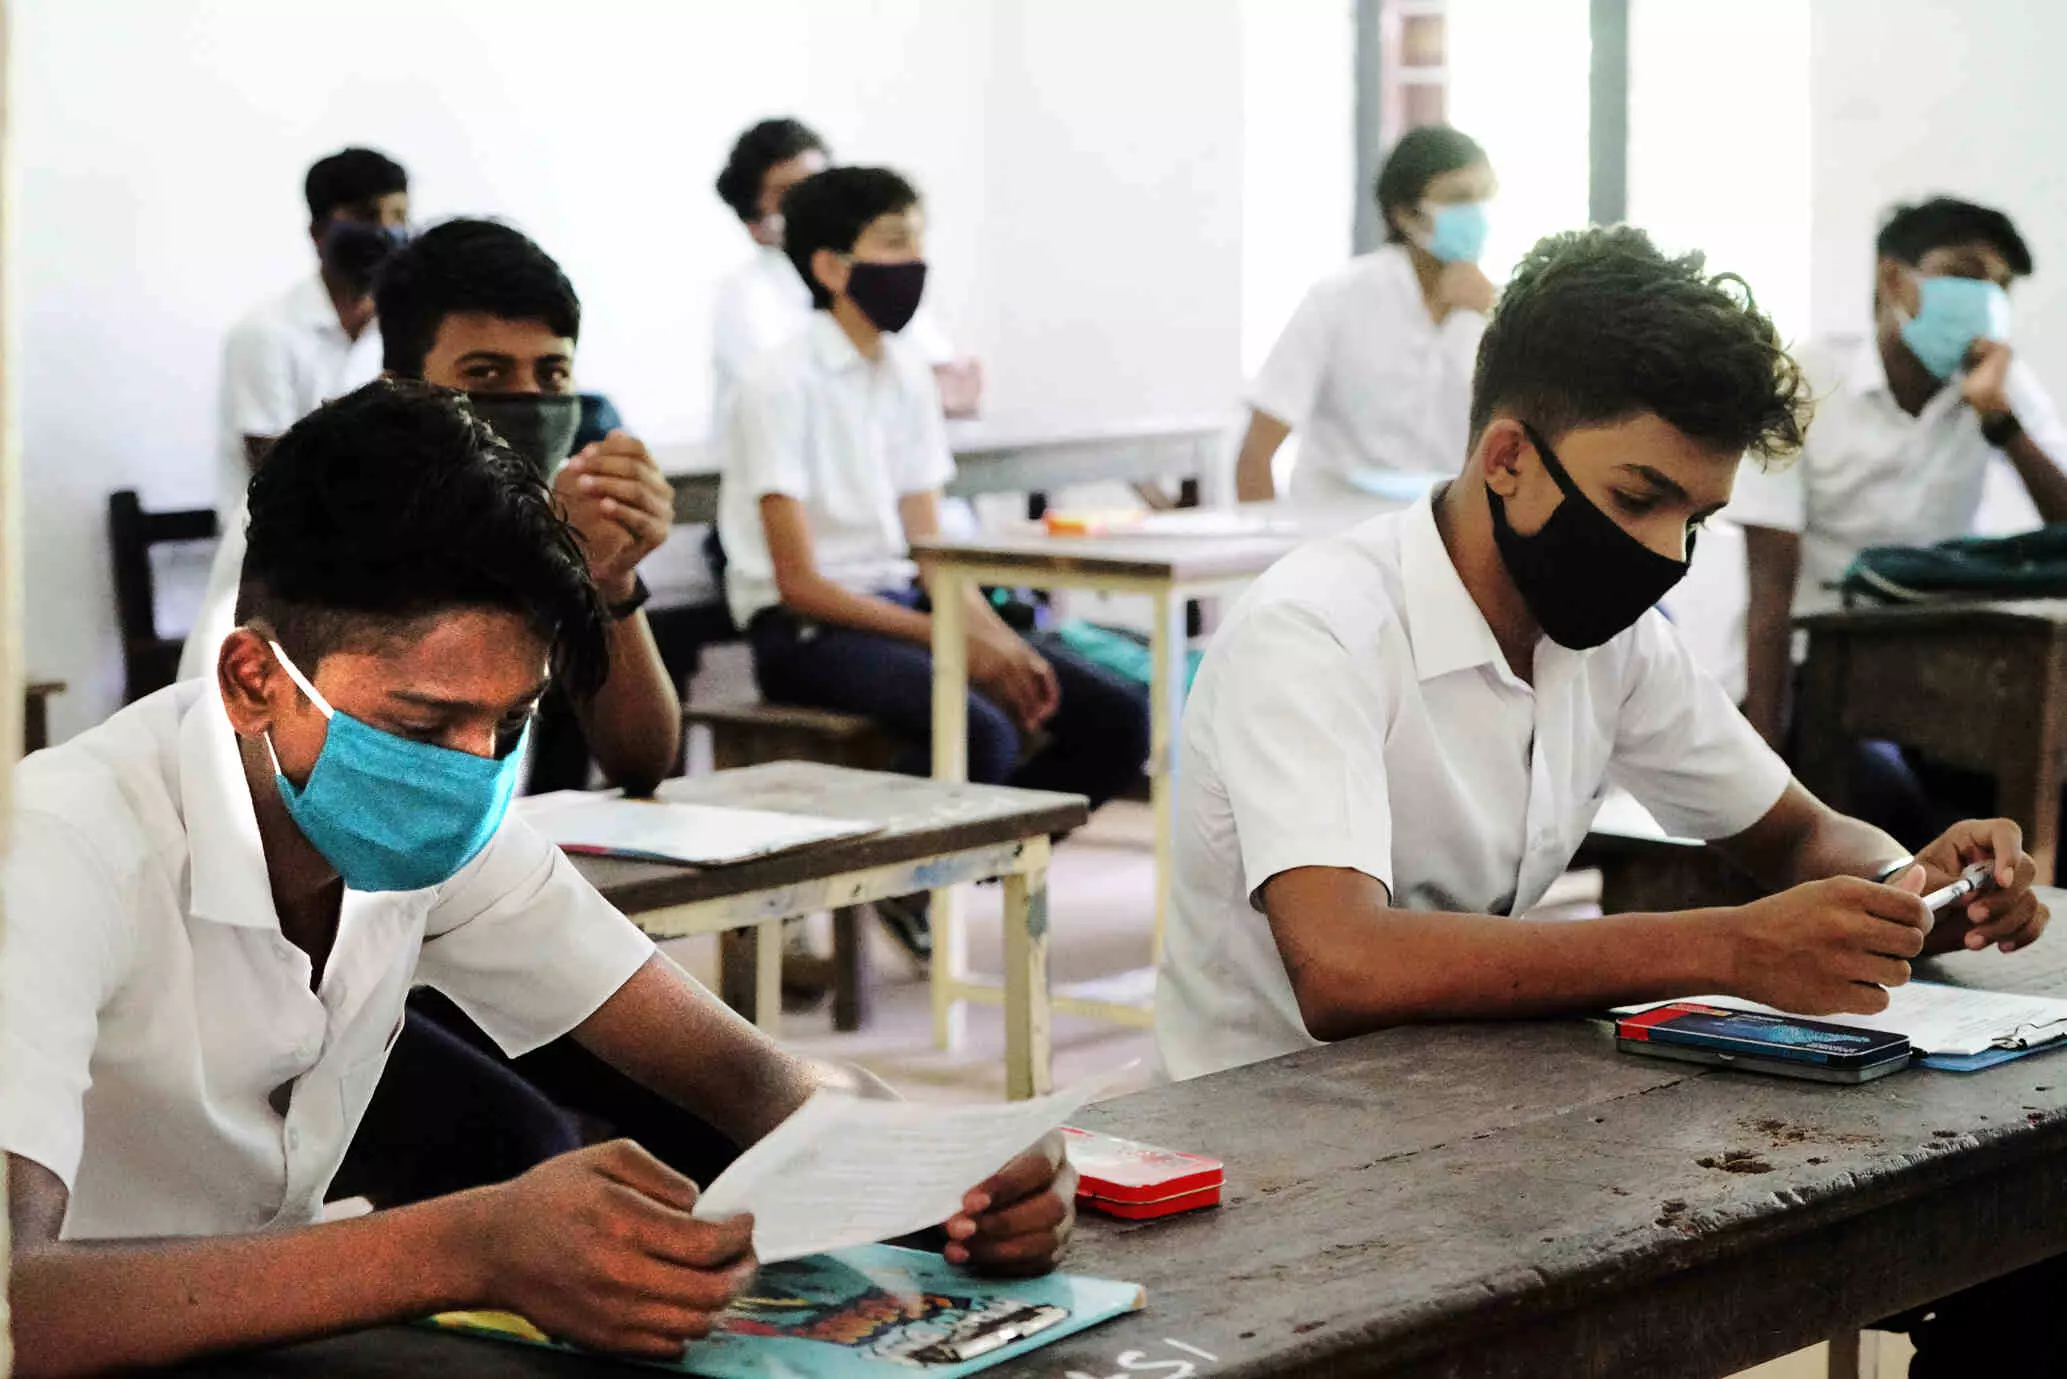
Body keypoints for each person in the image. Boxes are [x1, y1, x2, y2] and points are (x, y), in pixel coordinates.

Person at [0, 380, 1075, 1375]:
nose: (469, 769)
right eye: (422, 723)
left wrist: (948, 1170)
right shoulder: (60, 850)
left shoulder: (431, 827)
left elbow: (744, 1075)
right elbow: (10, 1304)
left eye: (509, 722)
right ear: (252, 680)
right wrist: (464, 1246)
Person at [1159, 226, 2056, 1376]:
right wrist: (1730, 946)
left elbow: (1793, 830)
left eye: (1697, 518)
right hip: (1266, 1151)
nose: (1666, 551)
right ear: (1507, 458)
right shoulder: (1319, 630)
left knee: (2016, 1244)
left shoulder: (1607, 638)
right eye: (1640, 496)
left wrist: (1915, 885)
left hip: (1473, 1098)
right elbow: (1345, 965)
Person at [717, 166, 1151, 957]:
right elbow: (798, 583)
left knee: (1117, 715)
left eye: (918, 241)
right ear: (830, 266)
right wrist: (956, 642)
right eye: (893, 242)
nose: (914, 262)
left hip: (904, 609)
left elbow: (930, 553)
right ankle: (888, 875)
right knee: (979, 730)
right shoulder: (777, 382)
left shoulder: (906, 375)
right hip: (809, 630)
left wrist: (995, 638)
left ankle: (944, 869)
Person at [1732, 197, 2067, 844]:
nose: (1986, 299)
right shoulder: (1804, 380)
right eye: (1965, 273)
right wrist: (1761, 770)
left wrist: (1999, 421)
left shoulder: (1997, 382)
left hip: (1945, 671)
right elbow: (1769, 590)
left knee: (2036, 803)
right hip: (1815, 672)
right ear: (1893, 278)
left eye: (2000, 286)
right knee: (1889, 811)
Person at [374, 217, 682, 796]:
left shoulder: (534, 512)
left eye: (552, 373)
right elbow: (407, 784)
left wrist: (606, 577)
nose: (530, 401)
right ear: (401, 390)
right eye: (486, 374)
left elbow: (642, 762)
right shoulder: (327, 509)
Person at [180, 148, 411, 683]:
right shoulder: (266, 334)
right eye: (367, 216)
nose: (386, 232)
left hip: (380, 568)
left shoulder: (404, 332)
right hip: (276, 569)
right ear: (318, 231)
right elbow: (278, 467)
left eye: (399, 216)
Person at [1234, 125, 1498, 504]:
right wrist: (1272, 538)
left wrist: (1497, 312)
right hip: (1335, 525)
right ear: (1405, 214)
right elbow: (1256, 455)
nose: (1476, 214)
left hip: (1441, 527)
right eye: (1459, 199)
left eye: (1484, 197)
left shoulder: (1495, 310)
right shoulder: (1339, 300)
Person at [711, 117, 981, 427]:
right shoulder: (746, 296)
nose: (814, 201)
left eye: (820, 183)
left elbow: (940, 375)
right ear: (753, 221)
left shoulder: (873, 279)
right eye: (790, 193)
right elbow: (790, 394)